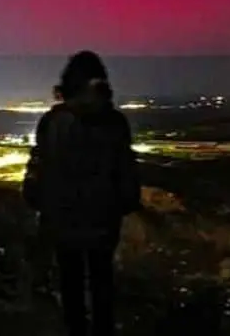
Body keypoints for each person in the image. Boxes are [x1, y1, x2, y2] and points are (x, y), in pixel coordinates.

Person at [23, 50, 143, 336]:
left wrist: (38, 202)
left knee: (70, 283)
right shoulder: (114, 122)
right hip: (103, 221)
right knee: (102, 281)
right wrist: (123, 204)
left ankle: (75, 330)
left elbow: (38, 169)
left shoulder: (51, 122)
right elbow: (125, 173)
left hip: (61, 220)